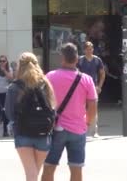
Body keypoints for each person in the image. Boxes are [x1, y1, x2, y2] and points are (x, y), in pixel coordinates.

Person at [41, 43, 97, 181]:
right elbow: (93, 105)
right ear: (77, 59)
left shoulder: (50, 76)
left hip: (55, 129)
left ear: (62, 58)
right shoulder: (86, 79)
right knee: (76, 169)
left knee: (49, 167)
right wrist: (88, 122)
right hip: (78, 129)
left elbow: (42, 101)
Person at [5, 53, 56, 181]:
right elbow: (52, 108)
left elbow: (10, 114)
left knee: (31, 175)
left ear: (19, 67)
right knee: (33, 174)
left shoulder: (14, 87)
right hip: (43, 134)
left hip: (22, 133)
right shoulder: (45, 84)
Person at [76, 41, 105, 138]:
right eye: (88, 49)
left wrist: (99, 86)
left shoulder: (97, 60)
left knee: (93, 109)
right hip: (82, 87)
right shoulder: (80, 60)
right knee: (81, 108)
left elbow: (102, 73)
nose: (90, 51)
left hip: (93, 86)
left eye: (91, 49)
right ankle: (82, 129)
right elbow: (76, 73)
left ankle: (94, 131)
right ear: (84, 50)